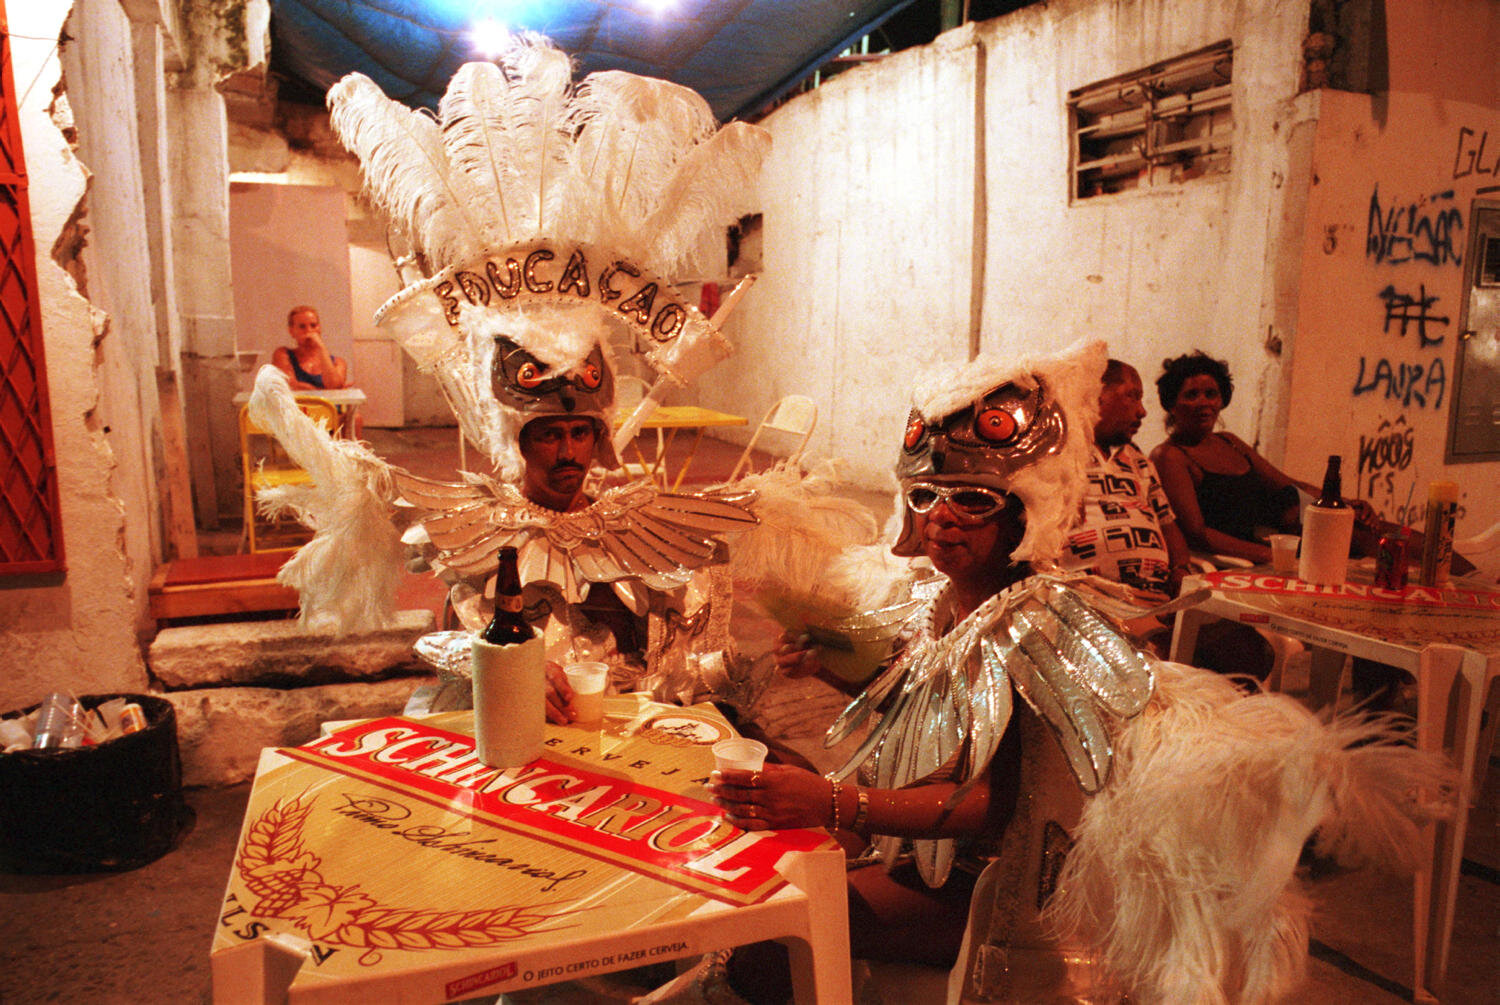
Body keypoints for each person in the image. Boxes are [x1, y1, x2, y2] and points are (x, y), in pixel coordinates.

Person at [699, 340, 1452, 1004]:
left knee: (773, 943)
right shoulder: (947, 606)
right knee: (756, 896)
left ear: (1021, 513)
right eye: (927, 496)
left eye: (973, 499)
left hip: (980, 891)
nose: (943, 518)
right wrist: (836, 673)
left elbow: (985, 807)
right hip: (922, 866)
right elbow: (934, 718)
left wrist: (831, 800)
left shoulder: (1038, 628)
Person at [1149, 349, 1374, 565]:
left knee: (1371, 530)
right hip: (1255, 554)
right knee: (1367, 542)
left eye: (1211, 394)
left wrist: (1344, 504)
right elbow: (1197, 533)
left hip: (1286, 538)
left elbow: (1289, 484)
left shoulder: (1229, 442)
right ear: (1171, 404)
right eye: (1191, 395)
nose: (1204, 403)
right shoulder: (1170, 456)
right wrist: (1274, 555)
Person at [271, 305, 362, 438]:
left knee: (356, 419)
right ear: (291, 331)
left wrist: (321, 347)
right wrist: (328, 392)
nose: (309, 331)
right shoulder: (283, 354)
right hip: (299, 415)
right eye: (302, 327)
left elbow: (333, 384)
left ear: (319, 328)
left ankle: (352, 458)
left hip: (330, 415)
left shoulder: (338, 362)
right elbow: (289, 385)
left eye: (313, 326)